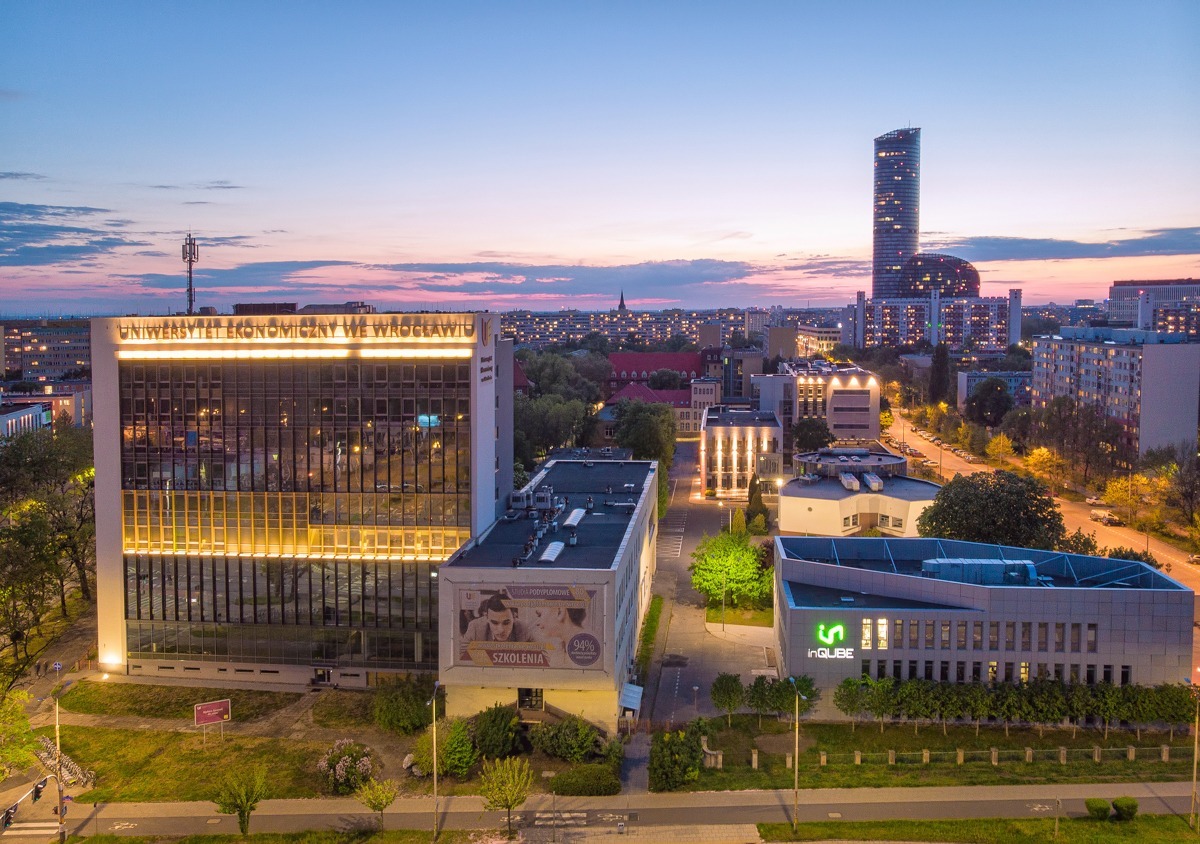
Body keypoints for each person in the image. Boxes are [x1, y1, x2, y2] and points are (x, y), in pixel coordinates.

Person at [463, 594, 533, 643]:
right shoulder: (475, 628)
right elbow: (460, 657)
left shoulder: (524, 630)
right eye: (494, 623)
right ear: (486, 617)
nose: (501, 630)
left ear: (514, 617)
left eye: (506, 623)